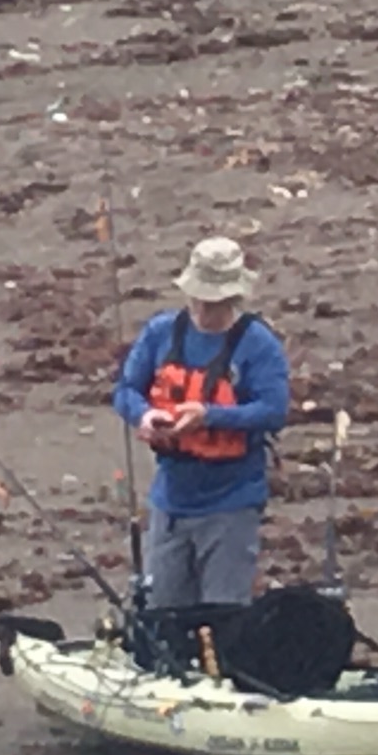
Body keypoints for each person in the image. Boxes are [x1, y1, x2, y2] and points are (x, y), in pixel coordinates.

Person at [112, 235, 290, 610]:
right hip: (171, 501)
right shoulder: (162, 332)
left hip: (232, 504)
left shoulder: (258, 344)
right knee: (165, 612)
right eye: (199, 298)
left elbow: (274, 410)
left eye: (215, 302)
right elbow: (126, 390)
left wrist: (210, 415)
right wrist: (145, 415)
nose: (204, 310)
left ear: (233, 298)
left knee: (223, 615)